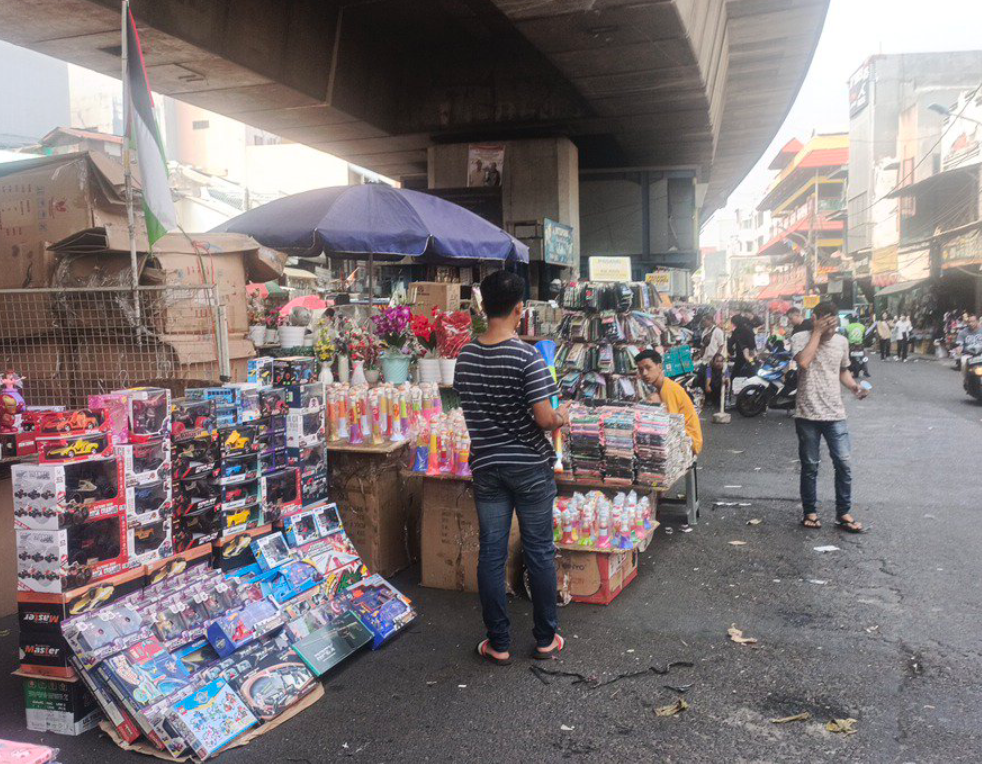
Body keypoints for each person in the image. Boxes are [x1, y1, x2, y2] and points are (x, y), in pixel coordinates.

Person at [453, 270, 567, 665]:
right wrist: (561, 416)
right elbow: (543, 418)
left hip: (488, 466)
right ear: (520, 309)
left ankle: (498, 642)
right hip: (531, 468)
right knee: (539, 551)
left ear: (483, 306)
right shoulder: (526, 356)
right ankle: (545, 639)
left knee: (491, 554)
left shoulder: (466, 355)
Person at [791, 300, 868, 533]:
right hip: (807, 413)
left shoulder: (842, 342)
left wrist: (854, 387)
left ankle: (843, 512)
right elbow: (803, 362)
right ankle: (810, 512)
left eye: (833, 325)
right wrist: (816, 332)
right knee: (810, 466)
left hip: (835, 413)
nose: (831, 330)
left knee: (843, 463)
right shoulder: (800, 338)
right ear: (815, 319)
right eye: (826, 323)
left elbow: (842, 370)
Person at [635, 349, 703, 455]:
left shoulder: (668, 389)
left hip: (690, 441)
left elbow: (671, 425)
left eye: (648, 368)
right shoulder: (661, 387)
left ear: (660, 367)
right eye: (640, 369)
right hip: (684, 436)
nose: (644, 373)